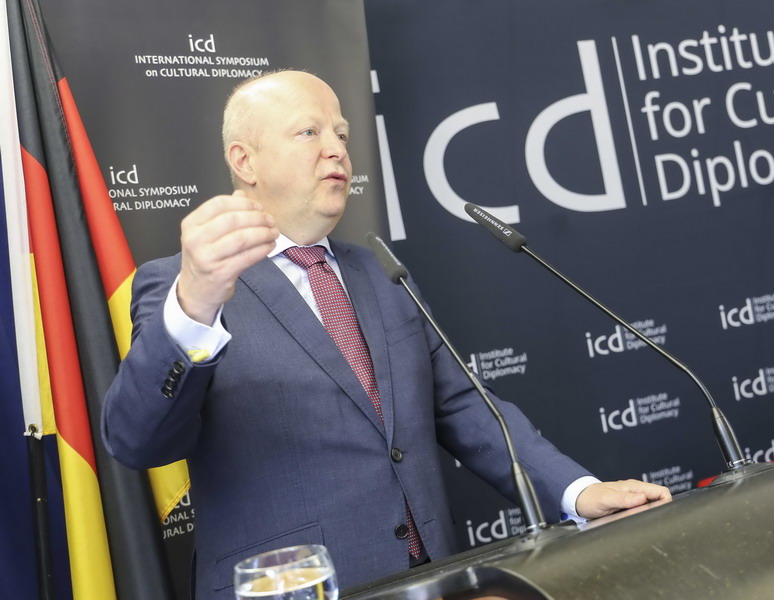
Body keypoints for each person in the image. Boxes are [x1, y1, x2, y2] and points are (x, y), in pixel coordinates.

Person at [101, 70, 671, 599]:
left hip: (431, 579)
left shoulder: (379, 270)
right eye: (309, 132)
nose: (336, 149)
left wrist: (577, 492)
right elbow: (138, 442)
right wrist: (195, 305)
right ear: (244, 161)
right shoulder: (180, 286)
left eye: (342, 134)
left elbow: (464, 406)